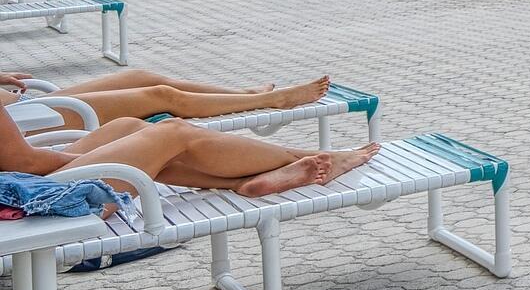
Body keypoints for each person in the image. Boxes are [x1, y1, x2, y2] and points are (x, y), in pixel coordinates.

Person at [0, 82, 377, 201]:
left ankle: (243, 181)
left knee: (131, 127)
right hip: (30, 200)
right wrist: (106, 157)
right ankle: (323, 158)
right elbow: (26, 166)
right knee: (171, 132)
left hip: (17, 187)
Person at [1, 67, 334, 125]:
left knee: (141, 77)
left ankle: (241, 93)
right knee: (161, 95)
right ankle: (268, 100)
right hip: (25, 122)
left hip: (25, 107)